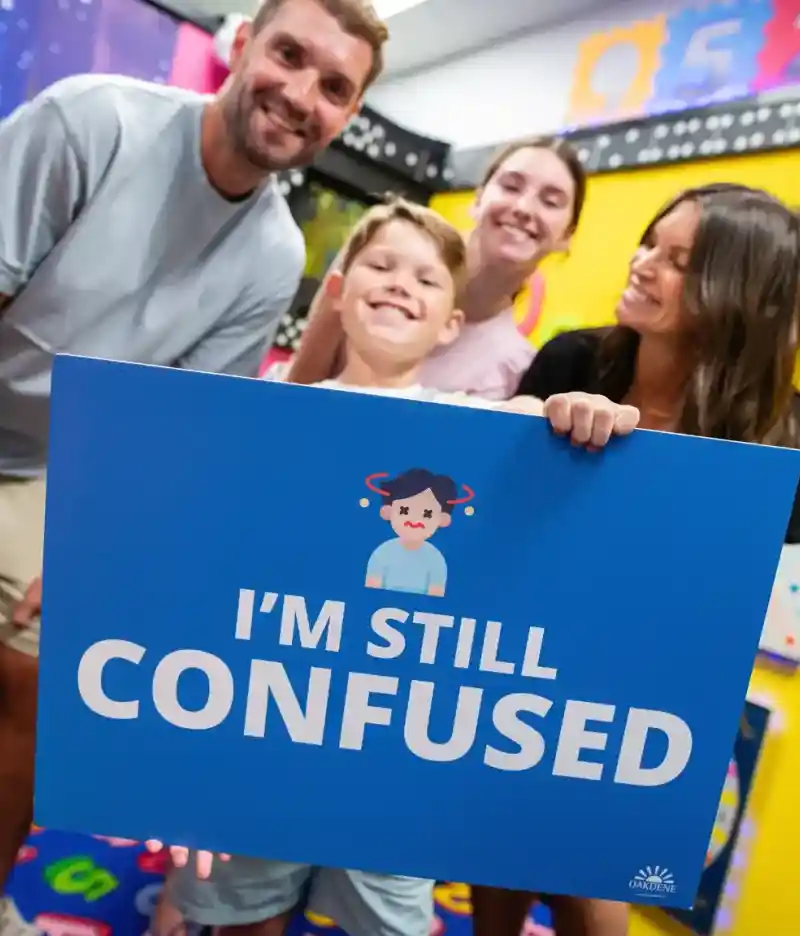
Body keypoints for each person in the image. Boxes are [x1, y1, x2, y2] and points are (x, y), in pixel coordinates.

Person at [0, 0, 390, 918]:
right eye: (289, 55)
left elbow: (173, 433)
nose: (300, 95)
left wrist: (95, 551)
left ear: (348, 117)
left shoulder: (273, 253)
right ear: (241, 42)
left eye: (334, 87)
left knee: (34, 672)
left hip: (55, 472)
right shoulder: (92, 119)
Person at [155, 198, 638, 936]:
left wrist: (579, 410)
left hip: (399, 759)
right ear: (340, 292)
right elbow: (204, 559)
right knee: (244, 918)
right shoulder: (267, 423)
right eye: (380, 266)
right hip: (267, 743)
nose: (399, 284)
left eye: (425, 279)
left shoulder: (481, 428)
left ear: (451, 322)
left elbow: (544, 434)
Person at [476, 182, 800, 936]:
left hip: (650, 705)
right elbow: (494, 515)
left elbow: (757, 591)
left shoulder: (781, 434)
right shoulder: (573, 360)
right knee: (494, 865)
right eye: (650, 242)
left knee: (595, 897)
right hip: (521, 670)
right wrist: (521, 430)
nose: (644, 263)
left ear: (739, 294)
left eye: (677, 258)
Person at [287, 135, 587, 399]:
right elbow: (298, 387)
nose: (523, 208)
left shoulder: (512, 367)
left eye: (550, 202)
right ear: (478, 198)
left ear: (568, 235)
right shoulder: (384, 244)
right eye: (511, 186)